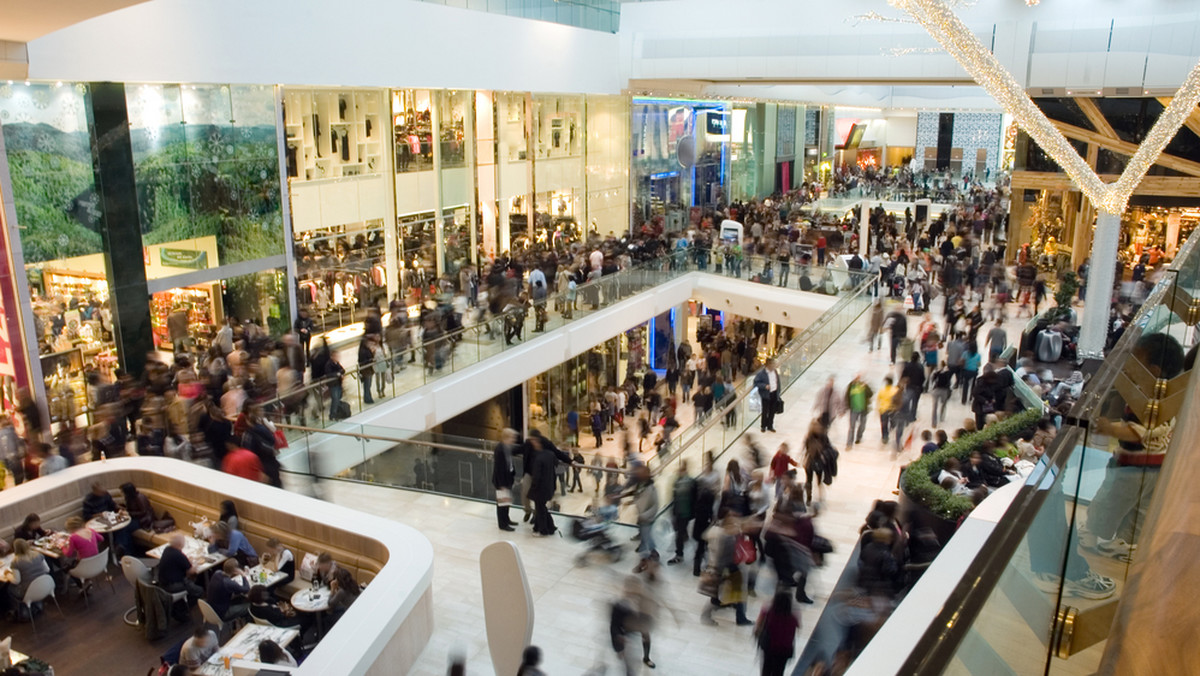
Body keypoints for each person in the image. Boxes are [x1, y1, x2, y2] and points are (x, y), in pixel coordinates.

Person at [611, 575, 657, 673]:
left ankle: (646, 658)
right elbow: (614, 626)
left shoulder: (643, 598)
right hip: (627, 632)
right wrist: (619, 647)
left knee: (646, 637)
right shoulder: (621, 605)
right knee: (630, 660)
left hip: (640, 624)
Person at [623, 464, 660, 572]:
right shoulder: (641, 485)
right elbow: (637, 496)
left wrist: (645, 516)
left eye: (642, 472)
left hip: (647, 519)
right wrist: (630, 502)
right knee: (646, 538)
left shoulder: (652, 488)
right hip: (642, 517)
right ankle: (650, 556)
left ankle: (647, 561)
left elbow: (655, 506)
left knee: (647, 539)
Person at [755, 591, 801, 676]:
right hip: (784, 650)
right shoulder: (792, 618)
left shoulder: (769, 614)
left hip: (769, 647)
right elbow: (798, 627)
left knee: (766, 669)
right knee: (779, 671)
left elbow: (758, 625)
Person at [157, 533, 203, 600]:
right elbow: (191, 571)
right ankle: (192, 605)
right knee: (200, 590)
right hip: (173, 585)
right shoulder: (178, 555)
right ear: (180, 544)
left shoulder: (167, 550)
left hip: (162, 583)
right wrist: (196, 565)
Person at [668, 460, 695, 566]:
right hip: (679, 512)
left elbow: (693, 497)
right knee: (679, 532)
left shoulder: (690, 482)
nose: (679, 471)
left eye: (682, 469)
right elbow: (674, 497)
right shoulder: (677, 482)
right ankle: (683, 541)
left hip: (685, 513)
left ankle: (679, 554)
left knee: (679, 535)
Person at [8, 539, 50, 607]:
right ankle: (36, 602)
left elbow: (16, 581)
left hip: (29, 591)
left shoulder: (16, 562)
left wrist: (8, 575)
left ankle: (19, 609)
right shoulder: (38, 555)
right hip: (46, 587)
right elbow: (47, 570)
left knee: (9, 588)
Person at [492, 428, 519, 531]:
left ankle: (506, 519)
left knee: (506, 502)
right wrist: (502, 485)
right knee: (502, 503)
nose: (514, 439)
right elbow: (499, 469)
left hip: (508, 479)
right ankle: (502, 524)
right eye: (513, 437)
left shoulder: (507, 447)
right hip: (501, 482)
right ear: (507, 437)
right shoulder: (499, 449)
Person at [844, 375, 873, 448]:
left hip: (863, 409)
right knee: (852, 427)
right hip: (854, 409)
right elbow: (846, 396)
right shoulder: (851, 386)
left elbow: (871, 394)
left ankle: (859, 437)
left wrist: (866, 387)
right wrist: (846, 407)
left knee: (862, 425)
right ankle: (849, 443)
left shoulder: (864, 386)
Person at [754, 358, 781, 433]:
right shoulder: (761, 373)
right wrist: (765, 386)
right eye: (772, 364)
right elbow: (756, 383)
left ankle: (770, 425)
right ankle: (763, 426)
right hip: (766, 395)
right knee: (765, 411)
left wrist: (778, 392)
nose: (774, 366)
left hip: (774, 393)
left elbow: (777, 382)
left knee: (772, 411)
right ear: (768, 365)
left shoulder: (775, 372)